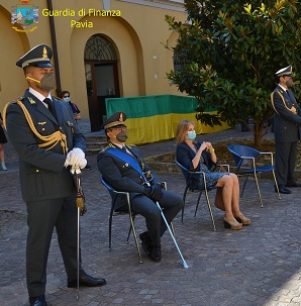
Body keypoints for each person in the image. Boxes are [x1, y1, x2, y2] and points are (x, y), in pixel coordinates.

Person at [4, 44, 105, 306]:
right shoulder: (17, 109)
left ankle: (76, 276)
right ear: (29, 73)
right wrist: (66, 160)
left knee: (72, 235)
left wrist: (80, 152)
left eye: (50, 67)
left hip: (68, 183)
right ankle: (36, 293)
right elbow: (27, 152)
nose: (49, 71)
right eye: (43, 67)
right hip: (41, 188)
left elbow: (78, 135)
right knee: (39, 242)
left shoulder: (62, 106)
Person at [97, 112, 184, 262]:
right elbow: (119, 182)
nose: (123, 130)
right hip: (128, 196)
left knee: (177, 202)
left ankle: (149, 237)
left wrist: (155, 185)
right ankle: (155, 246)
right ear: (109, 133)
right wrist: (145, 190)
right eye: (117, 128)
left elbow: (147, 170)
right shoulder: (106, 155)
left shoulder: (133, 150)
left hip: (147, 190)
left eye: (123, 126)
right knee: (154, 212)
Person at [175, 120, 251, 230]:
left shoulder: (196, 144)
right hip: (197, 178)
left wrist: (211, 150)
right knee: (227, 179)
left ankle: (236, 212)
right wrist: (200, 150)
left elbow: (214, 162)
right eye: (190, 130)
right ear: (183, 133)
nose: (193, 132)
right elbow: (192, 167)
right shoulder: (181, 149)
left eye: (193, 129)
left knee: (233, 176)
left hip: (207, 174)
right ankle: (229, 216)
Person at [270, 65, 301, 194]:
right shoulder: (277, 94)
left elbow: (296, 107)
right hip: (284, 131)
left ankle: (289, 180)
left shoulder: (289, 92)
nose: (291, 79)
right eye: (288, 77)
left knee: (291, 158)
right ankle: (279, 185)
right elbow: (285, 113)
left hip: (293, 130)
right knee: (282, 159)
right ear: (282, 78)